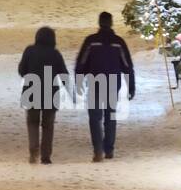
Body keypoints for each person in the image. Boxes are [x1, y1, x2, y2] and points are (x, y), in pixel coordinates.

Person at [74, 10, 135, 162]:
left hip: (95, 83)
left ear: (99, 23)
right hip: (113, 84)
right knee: (110, 117)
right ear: (111, 23)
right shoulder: (118, 42)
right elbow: (127, 66)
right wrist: (131, 85)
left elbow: (81, 63)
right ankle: (109, 149)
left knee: (95, 118)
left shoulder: (91, 41)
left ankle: (98, 149)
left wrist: (79, 82)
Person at [18, 26, 69, 164]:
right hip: (51, 93)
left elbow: (22, 70)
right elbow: (64, 74)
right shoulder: (55, 53)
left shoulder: (29, 51)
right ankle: (46, 156)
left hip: (31, 91)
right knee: (48, 125)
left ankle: (33, 150)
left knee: (32, 122)